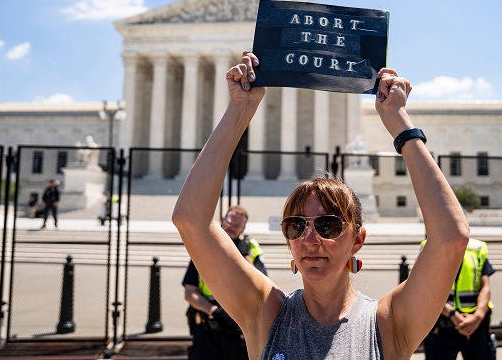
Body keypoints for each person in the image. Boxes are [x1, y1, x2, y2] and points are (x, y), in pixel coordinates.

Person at [172, 52, 470, 359]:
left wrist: (401, 125)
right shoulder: (264, 312)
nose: (310, 239)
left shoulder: (387, 323)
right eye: (296, 226)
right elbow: (191, 221)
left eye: (328, 224)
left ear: (358, 240)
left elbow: (451, 239)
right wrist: (240, 110)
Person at [182, 205, 267, 360]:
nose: (231, 228)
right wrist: (214, 311)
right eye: (229, 223)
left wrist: (244, 256)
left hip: (239, 331)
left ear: (243, 228)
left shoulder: (250, 248)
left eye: (237, 226)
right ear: (221, 220)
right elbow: (189, 293)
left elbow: (261, 288)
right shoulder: (203, 247)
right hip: (208, 331)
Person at [422, 238, 496, 359]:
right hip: (442, 326)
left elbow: (485, 286)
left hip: (474, 326)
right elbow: (427, 290)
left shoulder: (476, 248)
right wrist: (452, 314)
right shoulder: (429, 248)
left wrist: (478, 316)